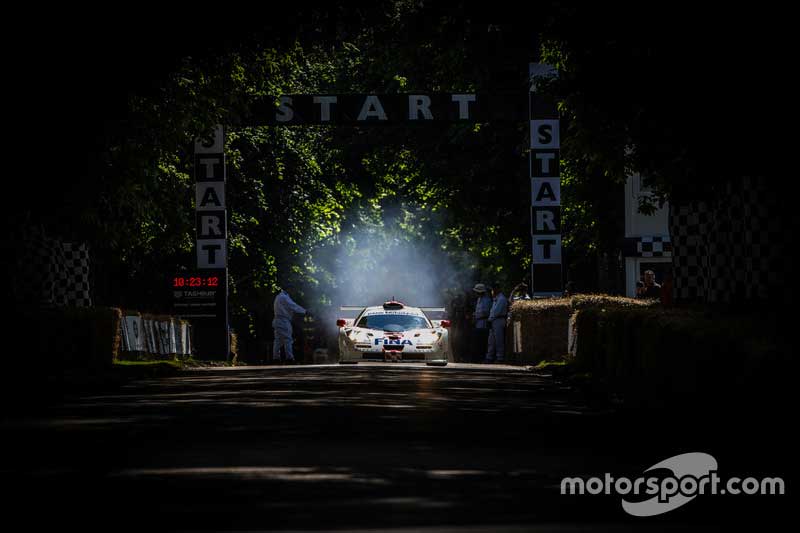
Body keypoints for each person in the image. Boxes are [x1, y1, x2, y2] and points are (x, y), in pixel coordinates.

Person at [272, 282, 309, 364]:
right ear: (289, 289)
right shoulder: (284, 297)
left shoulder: (279, 296)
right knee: (288, 339)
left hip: (277, 320)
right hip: (283, 320)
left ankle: (275, 358)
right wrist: (305, 311)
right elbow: (293, 306)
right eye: (292, 289)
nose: (293, 291)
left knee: (278, 340)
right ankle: (289, 358)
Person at [485, 283, 509, 363]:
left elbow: (496, 312)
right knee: (491, 340)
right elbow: (492, 312)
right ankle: (489, 357)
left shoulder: (501, 299)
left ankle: (500, 358)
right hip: (494, 320)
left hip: (499, 320)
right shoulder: (496, 299)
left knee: (499, 340)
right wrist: (490, 319)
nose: (492, 291)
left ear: (497, 289)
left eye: (493, 289)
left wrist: (490, 319)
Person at [471, 283, 492, 363]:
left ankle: (482, 357)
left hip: (483, 322)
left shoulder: (487, 300)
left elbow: (486, 312)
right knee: (478, 341)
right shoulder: (479, 299)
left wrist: (476, 315)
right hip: (478, 323)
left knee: (483, 341)